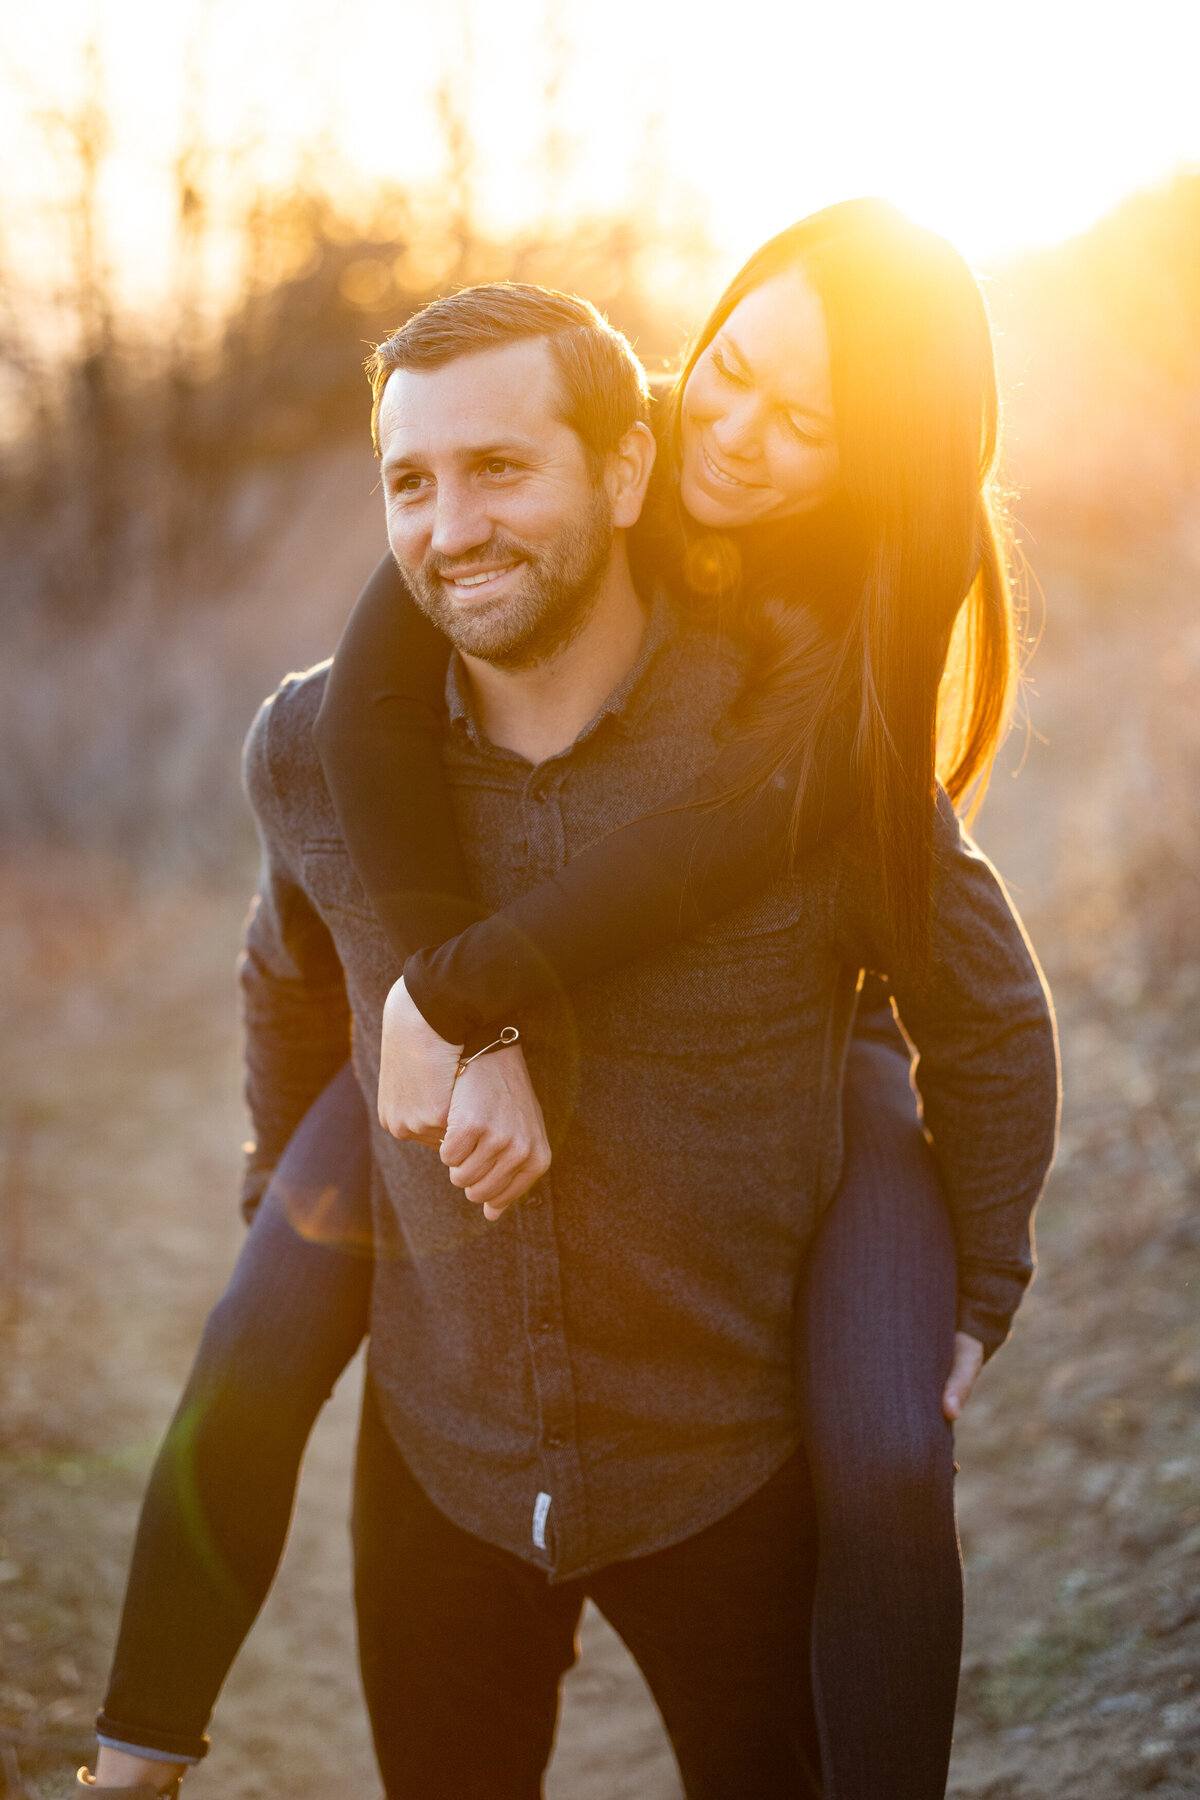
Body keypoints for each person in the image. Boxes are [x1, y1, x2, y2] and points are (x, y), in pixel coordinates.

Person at [81, 213, 1058, 1800]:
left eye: (803, 425)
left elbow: (885, 944)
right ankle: (129, 1756)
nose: (735, 437)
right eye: (732, 374)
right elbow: (337, 827)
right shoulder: (529, 504)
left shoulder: (828, 684)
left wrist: (980, 1278)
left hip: (749, 1322)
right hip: (442, 1408)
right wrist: (368, 1090)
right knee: (261, 1326)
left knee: (887, 1458)